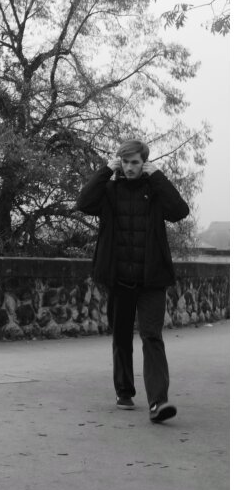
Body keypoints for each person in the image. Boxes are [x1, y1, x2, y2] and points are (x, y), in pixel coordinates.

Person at [76, 139, 190, 423]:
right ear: (119, 163)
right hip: (119, 278)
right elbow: (83, 202)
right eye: (125, 162)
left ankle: (158, 402)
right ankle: (124, 390)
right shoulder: (109, 192)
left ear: (144, 163)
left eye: (135, 163)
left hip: (151, 279)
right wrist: (104, 171)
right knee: (122, 335)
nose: (129, 167)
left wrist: (158, 176)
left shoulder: (155, 192)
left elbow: (180, 211)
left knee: (152, 336)